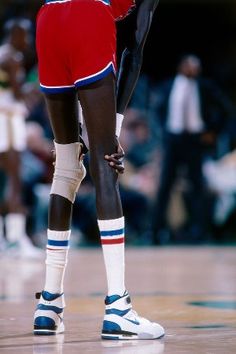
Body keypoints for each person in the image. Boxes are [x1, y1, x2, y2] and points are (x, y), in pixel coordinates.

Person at [34, 0, 164, 340]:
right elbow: (134, 50)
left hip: (49, 18)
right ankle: (118, 307)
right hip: (88, 17)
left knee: (65, 166)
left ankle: (49, 303)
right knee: (106, 164)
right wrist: (114, 128)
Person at [150, 54, 235, 244]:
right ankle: (156, 231)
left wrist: (213, 131)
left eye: (196, 66)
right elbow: (157, 111)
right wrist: (164, 131)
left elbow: (225, 110)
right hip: (173, 140)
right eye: (189, 65)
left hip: (196, 141)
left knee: (198, 186)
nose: (192, 69)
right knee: (165, 186)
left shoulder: (205, 87)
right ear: (181, 66)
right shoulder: (168, 86)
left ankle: (199, 232)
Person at [0, 18, 43, 258]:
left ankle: (5, 239)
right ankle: (16, 239)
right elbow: (18, 95)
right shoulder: (12, 58)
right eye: (25, 35)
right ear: (14, 33)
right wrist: (35, 86)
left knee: (3, 181)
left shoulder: (1, 54)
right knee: (15, 180)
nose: (27, 40)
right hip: (7, 120)